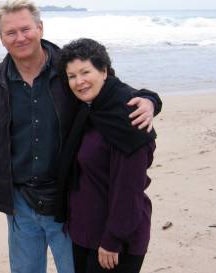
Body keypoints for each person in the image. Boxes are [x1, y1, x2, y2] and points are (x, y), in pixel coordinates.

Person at [0, 0, 161, 273]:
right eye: (11, 32)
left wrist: (150, 99)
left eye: (26, 29)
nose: (20, 37)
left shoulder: (68, 70)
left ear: (40, 28)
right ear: (0, 38)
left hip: (67, 199)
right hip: (20, 203)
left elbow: (112, 90)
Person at [57, 38, 156, 273]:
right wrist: (153, 99)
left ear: (103, 71)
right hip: (85, 231)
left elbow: (128, 188)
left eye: (85, 72)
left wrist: (113, 240)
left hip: (115, 240)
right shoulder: (90, 109)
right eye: (72, 76)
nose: (79, 82)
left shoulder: (128, 117)